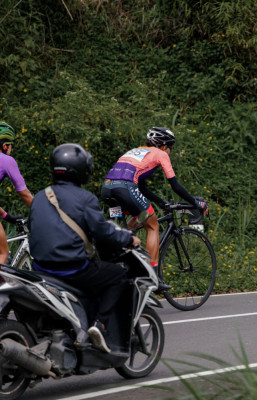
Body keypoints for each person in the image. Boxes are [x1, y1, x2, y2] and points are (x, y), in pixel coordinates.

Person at [29, 143, 141, 353]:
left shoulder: (40, 197)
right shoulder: (85, 198)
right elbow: (103, 232)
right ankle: (100, 325)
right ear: (81, 170)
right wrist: (128, 238)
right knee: (118, 275)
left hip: (40, 269)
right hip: (72, 269)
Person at [100, 127, 207, 292]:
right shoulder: (160, 154)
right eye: (170, 148)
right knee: (153, 225)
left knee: (138, 220)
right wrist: (196, 203)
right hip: (125, 188)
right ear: (164, 146)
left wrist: (161, 202)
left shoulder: (136, 151)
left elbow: (141, 187)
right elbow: (175, 186)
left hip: (107, 189)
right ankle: (152, 276)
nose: (169, 151)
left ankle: (122, 260)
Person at [0, 122, 34, 265]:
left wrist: (6, 216)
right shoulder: (7, 161)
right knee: (3, 253)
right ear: (4, 146)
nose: (11, 149)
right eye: (11, 146)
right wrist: (42, 211)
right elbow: (25, 194)